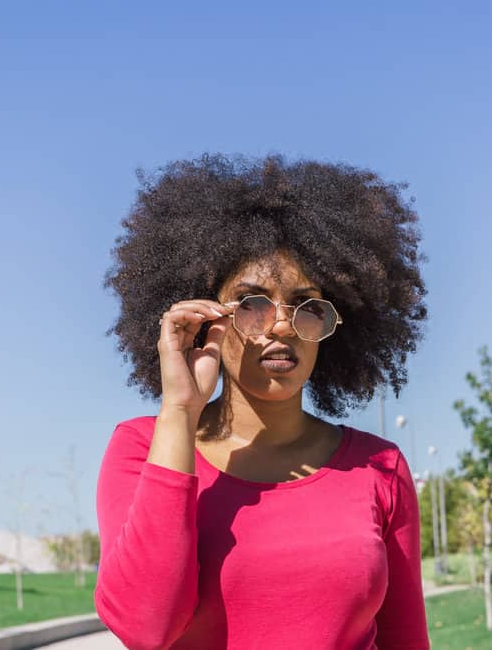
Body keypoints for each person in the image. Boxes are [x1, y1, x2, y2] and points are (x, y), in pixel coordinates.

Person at [95, 154, 429, 649]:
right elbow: (147, 627)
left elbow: (406, 639)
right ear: (207, 315)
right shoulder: (141, 448)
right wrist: (181, 412)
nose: (279, 326)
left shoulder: (379, 467)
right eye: (252, 305)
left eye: (306, 307)